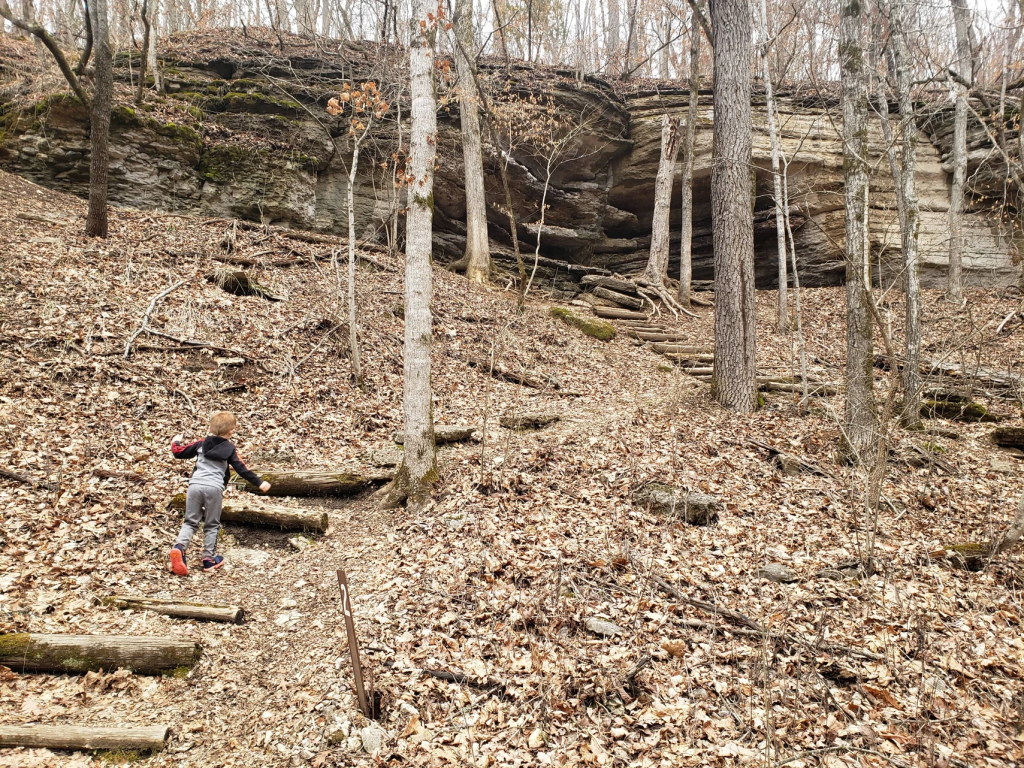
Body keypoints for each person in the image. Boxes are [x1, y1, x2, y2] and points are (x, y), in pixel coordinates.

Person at [167, 411, 270, 575]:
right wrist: (259, 482)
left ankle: (179, 547)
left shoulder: (201, 444)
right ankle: (208, 559)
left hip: (195, 486)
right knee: (212, 524)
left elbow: (179, 452)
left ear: (210, 428)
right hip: (214, 488)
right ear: (231, 432)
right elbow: (241, 468)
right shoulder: (230, 449)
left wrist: (175, 442)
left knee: (190, 522)